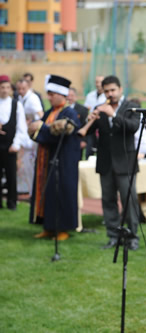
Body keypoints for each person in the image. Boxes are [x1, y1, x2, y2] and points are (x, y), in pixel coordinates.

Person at [85, 75, 141, 250]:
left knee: (128, 201)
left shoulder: (131, 106)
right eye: (107, 90)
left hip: (125, 162)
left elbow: (133, 127)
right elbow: (90, 132)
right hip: (105, 162)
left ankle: (132, 237)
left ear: (120, 89)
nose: (110, 93)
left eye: (113, 90)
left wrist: (114, 115)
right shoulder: (99, 107)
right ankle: (113, 236)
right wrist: (91, 119)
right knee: (108, 201)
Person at [28, 75, 81, 241]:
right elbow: (39, 132)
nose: (48, 97)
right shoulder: (50, 112)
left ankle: (63, 229)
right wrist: (39, 129)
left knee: (62, 194)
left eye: (51, 94)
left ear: (61, 94)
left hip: (64, 161)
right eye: (48, 94)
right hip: (47, 160)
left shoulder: (69, 112)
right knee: (48, 193)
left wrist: (41, 127)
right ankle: (48, 227)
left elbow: (58, 133)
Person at [0, 75, 28, 211]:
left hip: (10, 144)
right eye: (2, 88)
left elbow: (21, 126)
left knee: (11, 175)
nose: (4, 90)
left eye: (7, 88)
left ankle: (12, 203)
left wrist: (16, 144)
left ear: (10, 89)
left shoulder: (16, 105)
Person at [16, 78, 44, 195]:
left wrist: (31, 121)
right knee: (24, 164)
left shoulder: (33, 99)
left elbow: (41, 116)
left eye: (23, 89)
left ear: (28, 87)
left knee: (31, 164)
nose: (21, 91)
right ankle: (26, 189)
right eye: (19, 89)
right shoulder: (20, 98)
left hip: (32, 137)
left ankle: (34, 192)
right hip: (23, 134)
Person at [83, 75, 106, 159]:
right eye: (96, 82)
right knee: (89, 150)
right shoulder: (90, 95)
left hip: (102, 127)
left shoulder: (107, 97)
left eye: (100, 82)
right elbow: (86, 110)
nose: (98, 84)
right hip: (91, 126)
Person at [67, 87, 88, 159]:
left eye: (71, 96)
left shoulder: (83, 110)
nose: (69, 98)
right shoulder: (63, 109)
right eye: (68, 96)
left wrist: (84, 141)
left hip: (77, 140)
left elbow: (85, 125)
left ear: (76, 97)